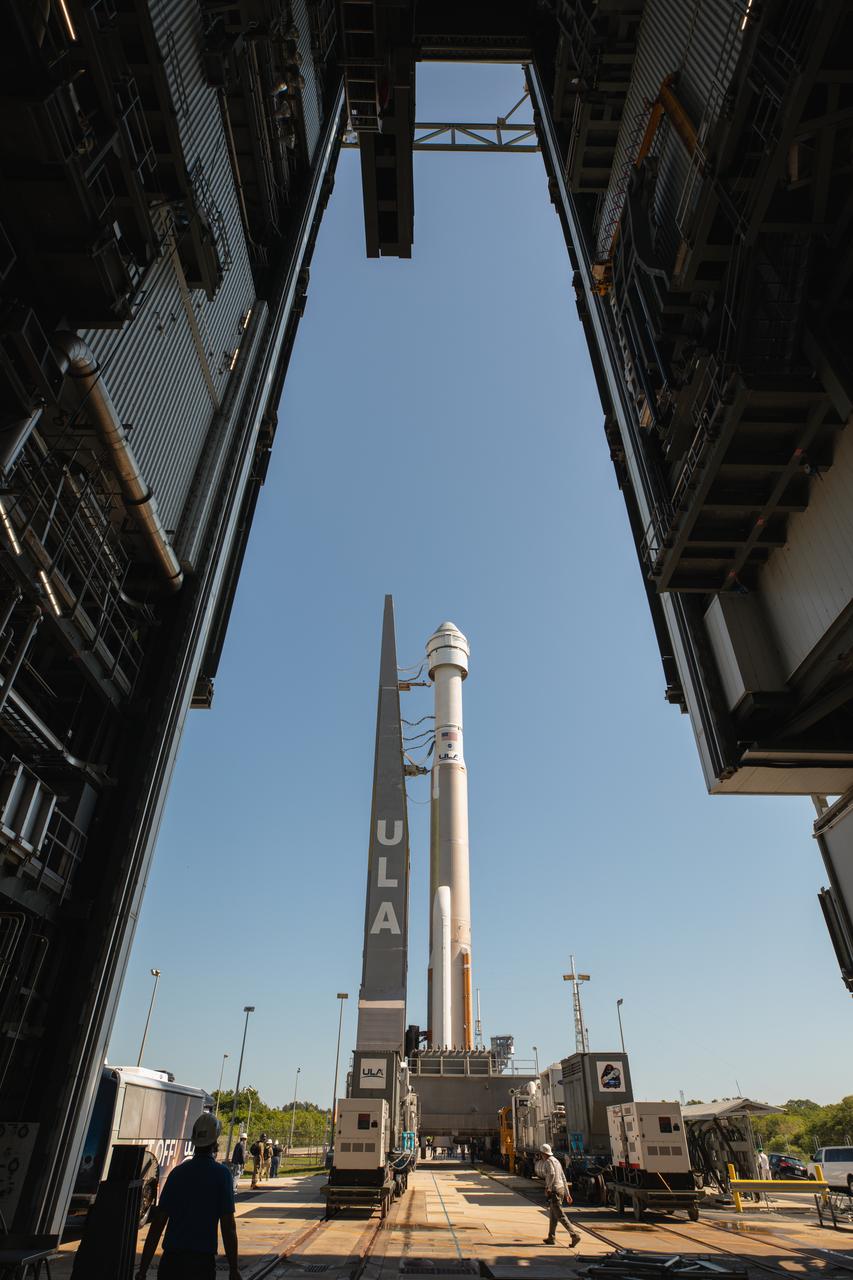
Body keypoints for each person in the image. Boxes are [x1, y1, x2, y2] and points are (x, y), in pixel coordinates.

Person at [136, 1112, 241, 1280]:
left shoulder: (177, 1174)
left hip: (171, 1262)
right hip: (201, 1264)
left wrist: (143, 1269)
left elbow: (158, 1224)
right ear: (215, 1143)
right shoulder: (222, 1175)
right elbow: (228, 1227)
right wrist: (234, 1269)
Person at [538, 1143, 581, 1248]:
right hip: (561, 1189)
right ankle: (551, 1237)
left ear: (543, 1153)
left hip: (554, 1191)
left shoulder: (548, 1162)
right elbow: (563, 1177)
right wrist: (568, 1193)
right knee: (553, 1215)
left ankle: (574, 1235)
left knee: (560, 1215)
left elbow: (552, 1174)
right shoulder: (556, 1161)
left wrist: (548, 1187)